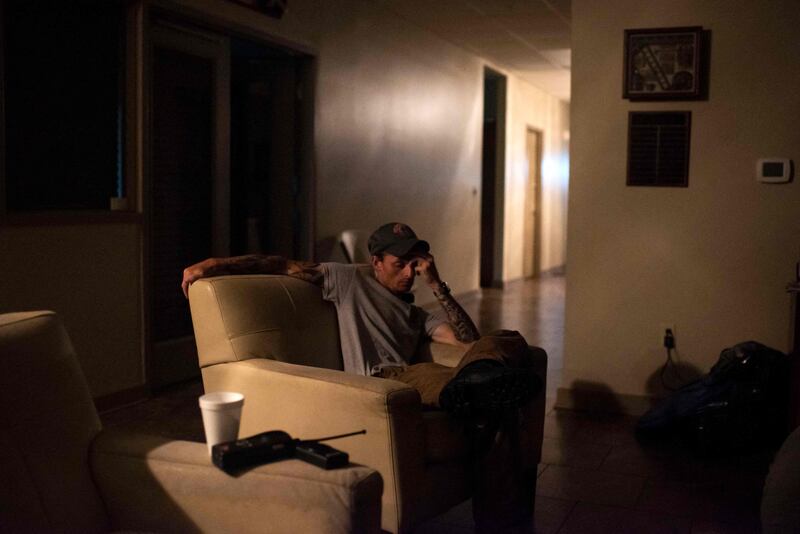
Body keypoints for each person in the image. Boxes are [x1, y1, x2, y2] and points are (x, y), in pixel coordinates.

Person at [181, 222, 543, 531]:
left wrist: (437, 284)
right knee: (490, 390)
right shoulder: (348, 279)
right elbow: (280, 265)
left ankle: (478, 388)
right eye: (399, 264)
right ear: (376, 263)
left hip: (423, 375)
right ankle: (482, 391)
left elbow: (468, 343)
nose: (407, 273)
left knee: (505, 344)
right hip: (386, 378)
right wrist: (214, 264)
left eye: (413, 265)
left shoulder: (417, 314)